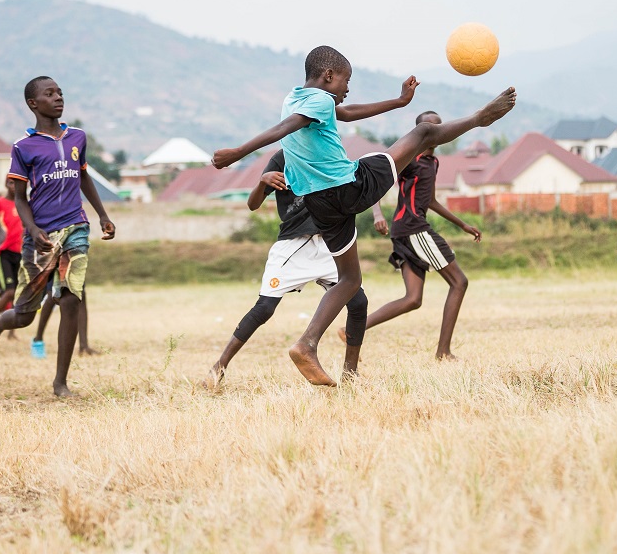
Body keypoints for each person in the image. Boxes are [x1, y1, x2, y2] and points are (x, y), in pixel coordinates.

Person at [212, 45, 516, 386]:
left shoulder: (295, 98)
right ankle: (479, 118)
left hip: (320, 203)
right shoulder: (316, 102)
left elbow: (344, 113)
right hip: (347, 186)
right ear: (329, 76)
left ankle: (308, 344)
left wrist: (398, 102)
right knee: (423, 133)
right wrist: (239, 152)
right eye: (346, 80)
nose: (347, 88)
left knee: (350, 280)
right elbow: (286, 127)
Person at [0, 75, 116, 398]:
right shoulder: (23, 147)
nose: (58, 97)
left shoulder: (77, 137)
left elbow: (83, 178)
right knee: (24, 315)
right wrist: (34, 229)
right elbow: (20, 198)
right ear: (33, 103)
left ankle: (60, 383)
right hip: (41, 235)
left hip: (76, 226)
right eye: (50, 94)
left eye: (60, 92)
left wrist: (102, 215)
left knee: (71, 299)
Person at [204, 149, 371, 388]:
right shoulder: (283, 158)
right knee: (264, 308)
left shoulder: (329, 150)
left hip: (329, 242)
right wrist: (263, 182)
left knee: (358, 303)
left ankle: (350, 374)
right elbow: (253, 204)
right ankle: (218, 368)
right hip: (294, 244)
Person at [343, 111, 480, 360]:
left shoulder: (433, 162)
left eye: (440, 127)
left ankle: (351, 330)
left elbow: (431, 201)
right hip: (412, 228)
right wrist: (377, 214)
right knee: (459, 282)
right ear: (421, 131)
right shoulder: (410, 159)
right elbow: (376, 181)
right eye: (430, 127)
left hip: (408, 229)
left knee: (413, 299)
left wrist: (463, 225)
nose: (436, 131)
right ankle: (443, 352)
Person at [0, 178, 24, 338]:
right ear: (6, 184)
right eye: (11, 183)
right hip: (4, 252)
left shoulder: (23, 203)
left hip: (20, 252)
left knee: (18, 293)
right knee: (9, 291)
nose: (14, 186)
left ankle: (11, 332)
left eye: (17, 183)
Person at [32, 280, 100, 358]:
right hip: (56, 272)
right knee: (52, 295)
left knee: (81, 294)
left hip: (75, 271)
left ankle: (83, 346)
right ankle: (38, 339)